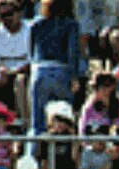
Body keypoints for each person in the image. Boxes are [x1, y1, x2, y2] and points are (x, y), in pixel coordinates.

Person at [27, 0, 80, 136]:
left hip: (39, 70)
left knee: (37, 123)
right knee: (64, 119)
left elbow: (31, 52)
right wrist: (74, 76)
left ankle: (35, 154)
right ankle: (63, 154)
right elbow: (72, 52)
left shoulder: (36, 23)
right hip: (61, 71)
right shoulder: (71, 24)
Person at [0, 0, 30, 117]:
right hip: (1, 74)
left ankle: (24, 122)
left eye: (9, 14)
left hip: (23, 73)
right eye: (2, 15)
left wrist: (13, 72)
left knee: (20, 80)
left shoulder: (29, 30)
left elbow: (31, 60)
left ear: (18, 13)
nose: (5, 18)